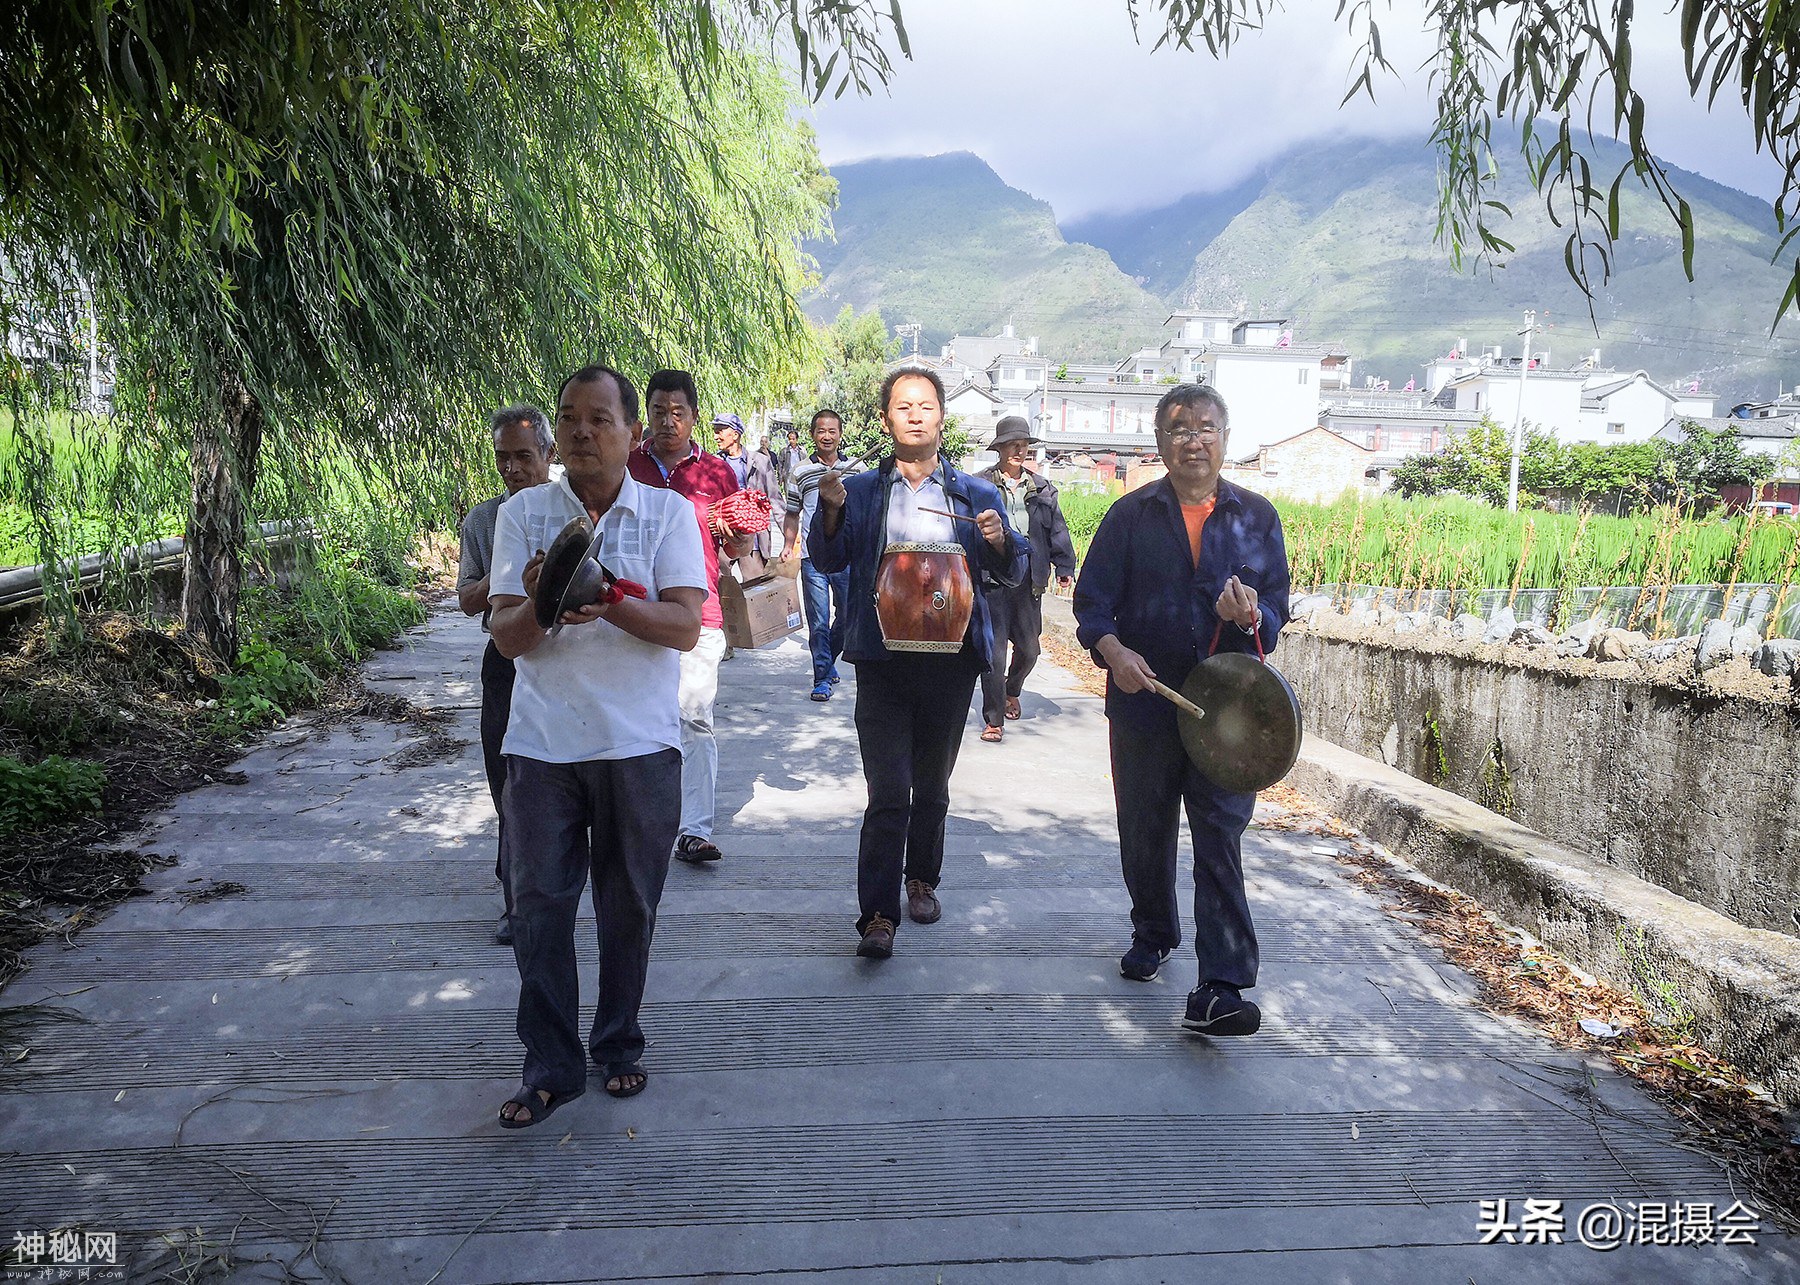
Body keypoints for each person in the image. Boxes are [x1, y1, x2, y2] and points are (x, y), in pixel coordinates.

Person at [486, 364, 707, 1125]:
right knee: (541, 906)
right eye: (570, 418)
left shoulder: (671, 514)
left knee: (628, 906)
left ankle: (617, 1043)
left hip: (639, 747)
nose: (582, 432)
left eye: (600, 419)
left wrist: (607, 594)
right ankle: (550, 1064)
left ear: (632, 433)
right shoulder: (524, 514)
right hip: (542, 747)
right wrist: (549, 597)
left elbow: (684, 625)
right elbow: (507, 637)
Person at [1073, 383, 1289, 1037]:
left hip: (1228, 712)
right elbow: (1091, 604)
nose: (1193, 439)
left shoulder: (1257, 517)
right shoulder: (1129, 516)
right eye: (1178, 428)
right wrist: (1114, 652)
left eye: (1205, 426)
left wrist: (1250, 612)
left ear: (1225, 436)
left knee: (1220, 832)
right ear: (1160, 442)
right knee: (1144, 827)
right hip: (1144, 701)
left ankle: (1220, 985)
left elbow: (1275, 614)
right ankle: (1154, 930)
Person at [810, 367, 1028, 958]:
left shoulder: (976, 496)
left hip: (951, 663)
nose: (914, 415)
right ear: (886, 419)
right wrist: (827, 514)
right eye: (902, 406)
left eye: (925, 406)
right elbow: (827, 559)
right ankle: (877, 915)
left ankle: (922, 877)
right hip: (881, 661)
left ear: (940, 418)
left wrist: (1001, 540)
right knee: (888, 789)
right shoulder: (858, 492)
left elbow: (1013, 570)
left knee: (932, 784)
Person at [627, 369, 751, 863]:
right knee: (639, 717)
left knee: (695, 716)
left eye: (678, 412)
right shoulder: (627, 464)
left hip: (701, 611)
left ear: (695, 417)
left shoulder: (717, 473)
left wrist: (740, 540)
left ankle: (694, 828)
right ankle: (641, 821)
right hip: (631, 609)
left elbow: (736, 544)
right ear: (646, 417)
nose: (668, 421)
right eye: (658, 411)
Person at [457, 406, 556, 945]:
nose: (512, 468)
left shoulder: (570, 511)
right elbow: (467, 595)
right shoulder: (483, 521)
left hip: (560, 660)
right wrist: (505, 573)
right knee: (507, 781)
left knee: (552, 781)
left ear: (549, 455)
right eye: (503, 458)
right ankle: (515, 900)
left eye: (523, 456)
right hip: (503, 660)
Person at [976, 415, 1077, 742]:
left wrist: (1064, 567)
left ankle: (1012, 688)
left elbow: (1056, 530)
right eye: (1013, 445)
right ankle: (993, 720)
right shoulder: (981, 485)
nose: (1020, 450)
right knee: (994, 654)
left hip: (1028, 580)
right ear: (1001, 449)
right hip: (993, 579)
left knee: (1030, 650)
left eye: (1024, 445)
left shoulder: (1042, 489)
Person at [779, 408, 859, 701]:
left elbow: (862, 515)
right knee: (818, 619)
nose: (827, 436)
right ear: (812, 435)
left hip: (845, 556)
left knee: (849, 616)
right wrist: (789, 545)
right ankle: (822, 677)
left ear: (840, 434)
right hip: (813, 557)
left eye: (832, 431)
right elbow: (792, 512)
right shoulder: (800, 471)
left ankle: (828, 659)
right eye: (821, 431)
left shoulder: (854, 471)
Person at [713, 412, 782, 559]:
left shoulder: (760, 462)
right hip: (723, 537)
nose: (716, 437)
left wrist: (790, 540)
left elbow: (775, 500)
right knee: (722, 581)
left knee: (754, 580)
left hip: (753, 537)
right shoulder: (713, 464)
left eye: (720, 431)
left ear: (735, 434)